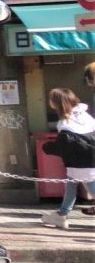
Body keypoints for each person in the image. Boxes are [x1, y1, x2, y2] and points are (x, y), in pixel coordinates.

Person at [43, 87, 95, 227]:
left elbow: (64, 145)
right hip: (88, 158)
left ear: (57, 102)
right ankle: (62, 214)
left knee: (90, 186)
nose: (49, 102)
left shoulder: (65, 122)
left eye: (51, 99)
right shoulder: (84, 115)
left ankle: (62, 215)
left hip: (80, 162)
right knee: (71, 184)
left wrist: (47, 147)